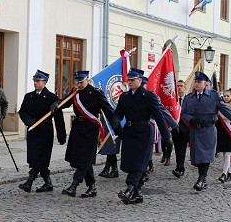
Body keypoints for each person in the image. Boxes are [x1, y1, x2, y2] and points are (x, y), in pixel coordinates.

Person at [112, 68, 173, 204]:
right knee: (130, 162)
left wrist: (166, 136)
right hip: (129, 131)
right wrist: (115, 119)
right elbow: (118, 112)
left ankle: (130, 188)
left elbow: (159, 116)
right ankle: (137, 194)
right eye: (129, 80)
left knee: (140, 163)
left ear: (140, 80)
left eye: (133, 80)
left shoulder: (149, 96)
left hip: (144, 132)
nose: (130, 82)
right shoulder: (125, 97)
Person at [181, 72, 231, 191]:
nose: (196, 84)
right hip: (195, 130)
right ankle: (202, 179)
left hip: (208, 129)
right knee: (196, 158)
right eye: (196, 81)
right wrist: (191, 119)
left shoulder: (213, 96)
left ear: (205, 84)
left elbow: (226, 111)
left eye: (199, 82)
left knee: (205, 156)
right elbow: (183, 113)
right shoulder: (189, 98)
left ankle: (201, 178)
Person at [59, 71, 114, 198]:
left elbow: (108, 110)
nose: (79, 85)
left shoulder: (96, 93)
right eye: (77, 82)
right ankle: (92, 187)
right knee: (83, 158)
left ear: (87, 81)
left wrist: (117, 126)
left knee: (84, 159)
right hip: (78, 129)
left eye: (81, 82)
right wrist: (56, 104)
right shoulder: (75, 93)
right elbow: (65, 102)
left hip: (90, 130)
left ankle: (74, 185)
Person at [18, 70, 66, 192]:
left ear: (44, 82)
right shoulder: (29, 96)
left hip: (45, 132)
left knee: (39, 157)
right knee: (37, 157)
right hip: (33, 130)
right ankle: (48, 183)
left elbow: (58, 117)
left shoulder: (51, 98)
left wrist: (61, 135)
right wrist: (28, 121)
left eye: (37, 81)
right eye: (34, 80)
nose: (35, 83)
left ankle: (29, 182)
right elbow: (22, 111)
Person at [216, 89, 231, 183]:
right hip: (222, 133)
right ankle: (229, 173)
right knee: (224, 155)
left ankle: (224, 174)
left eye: (227, 96)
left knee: (228, 155)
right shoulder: (220, 106)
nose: (226, 97)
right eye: (224, 96)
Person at [172, 80, 190, 178]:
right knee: (177, 148)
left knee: (182, 148)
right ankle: (178, 166)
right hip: (175, 127)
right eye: (178, 86)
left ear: (185, 87)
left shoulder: (188, 99)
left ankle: (180, 168)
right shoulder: (173, 100)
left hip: (185, 127)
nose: (179, 88)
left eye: (181, 86)